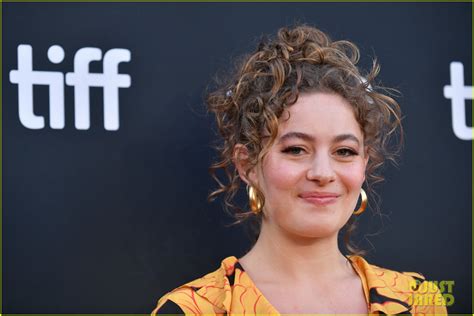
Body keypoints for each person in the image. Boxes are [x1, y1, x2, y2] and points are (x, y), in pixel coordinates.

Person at [151, 25, 448, 315]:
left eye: (344, 152)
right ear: (247, 165)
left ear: (364, 164)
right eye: (296, 149)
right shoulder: (196, 309)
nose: (323, 173)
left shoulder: (417, 300)